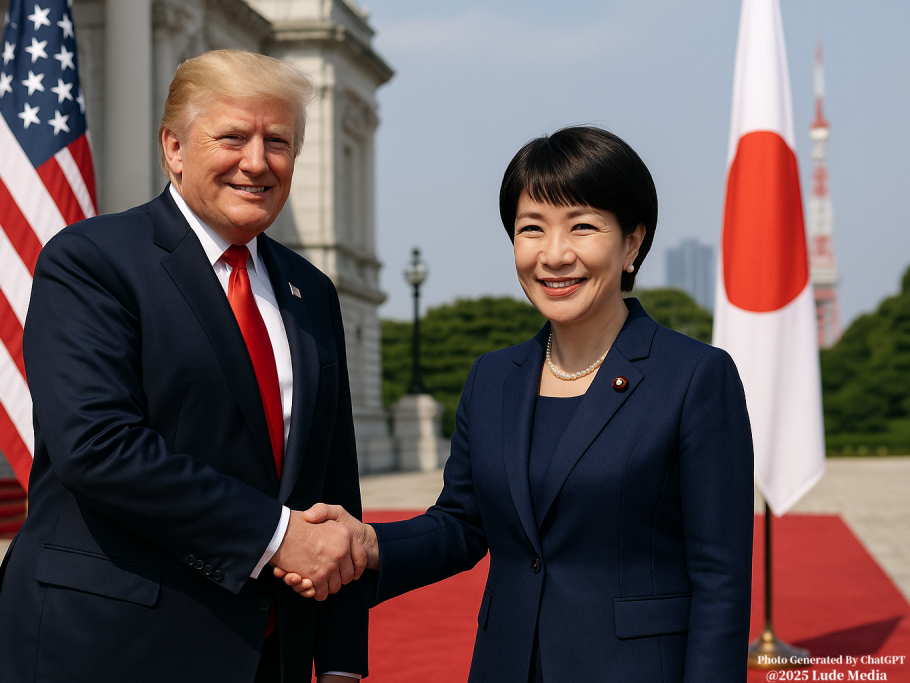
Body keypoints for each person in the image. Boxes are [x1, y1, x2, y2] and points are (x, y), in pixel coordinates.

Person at [281, 127, 755, 682]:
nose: (554, 254)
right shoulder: (492, 378)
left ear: (631, 243)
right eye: (532, 228)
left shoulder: (695, 377)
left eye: (582, 226)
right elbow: (461, 524)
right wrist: (369, 542)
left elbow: (721, 579)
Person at [0, 50, 369, 683]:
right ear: (174, 148)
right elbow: (97, 446)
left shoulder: (311, 291)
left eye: (278, 142)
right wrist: (276, 536)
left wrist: (341, 658)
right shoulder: (91, 261)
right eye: (232, 137)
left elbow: (333, 480)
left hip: (269, 656)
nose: (257, 162)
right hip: (108, 647)